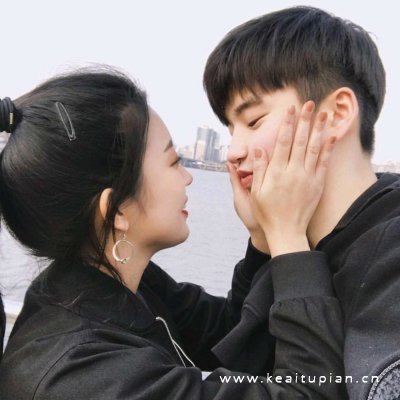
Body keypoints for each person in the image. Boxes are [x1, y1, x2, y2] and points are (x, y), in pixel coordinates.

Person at [0, 70, 345, 398]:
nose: (187, 177)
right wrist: (288, 236)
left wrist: (261, 238)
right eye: (173, 161)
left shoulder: (113, 283)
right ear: (118, 210)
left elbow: (228, 333)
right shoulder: (81, 377)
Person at [203, 5, 400, 398]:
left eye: (254, 121)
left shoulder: (389, 250)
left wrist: (287, 239)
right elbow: (247, 368)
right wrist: (266, 240)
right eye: (230, 129)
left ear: (338, 113)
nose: (234, 152)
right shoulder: (307, 241)